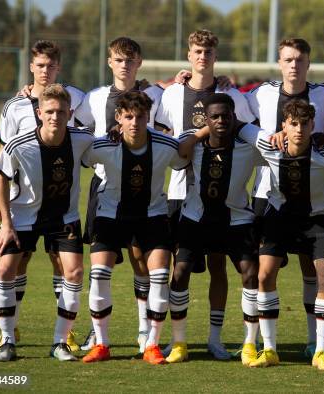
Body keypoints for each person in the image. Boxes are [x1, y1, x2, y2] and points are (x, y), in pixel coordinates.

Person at [245, 38, 324, 357]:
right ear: (280, 62)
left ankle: (314, 344)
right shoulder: (261, 92)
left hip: (313, 201)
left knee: (314, 272)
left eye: (300, 60)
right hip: (268, 196)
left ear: (308, 63)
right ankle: (254, 343)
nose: (294, 65)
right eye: (288, 59)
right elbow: (232, 111)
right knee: (259, 273)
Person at [156, 29, 256, 360]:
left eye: (208, 52)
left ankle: (215, 339)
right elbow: (161, 134)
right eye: (197, 51)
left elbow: (249, 133)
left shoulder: (232, 94)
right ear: (189, 55)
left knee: (218, 267)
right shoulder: (172, 93)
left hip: (223, 197)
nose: (203, 57)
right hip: (180, 192)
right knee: (178, 268)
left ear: (215, 55)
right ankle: (175, 338)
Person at [80, 91, 189, 364]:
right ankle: (102, 344)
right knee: (99, 274)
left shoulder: (165, 145)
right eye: (128, 117)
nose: (134, 123)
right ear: (118, 118)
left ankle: (151, 344)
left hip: (152, 216)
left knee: (160, 275)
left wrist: (195, 135)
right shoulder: (103, 145)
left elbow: (184, 158)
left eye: (140, 117)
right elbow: (82, 157)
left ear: (148, 117)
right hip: (109, 215)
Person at [73, 37, 166, 353]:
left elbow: (171, 127)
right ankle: (95, 333)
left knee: (142, 258)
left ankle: (144, 331)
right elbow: (75, 129)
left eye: (130, 59)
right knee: (101, 262)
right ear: (109, 62)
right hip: (106, 188)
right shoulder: (96, 98)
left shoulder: (156, 95)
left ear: (139, 62)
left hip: (145, 188)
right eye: (118, 59)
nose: (124, 65)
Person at [0, 40, 85, 351]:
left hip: (62, 204)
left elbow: (97, 131)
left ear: (59, 67)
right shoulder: (14, 106)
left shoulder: (77, 100)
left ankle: (65, 334)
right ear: (31, 67)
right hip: (23, 201)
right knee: (18, 263)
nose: (46, 71)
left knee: (64, 264)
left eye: (51, 65)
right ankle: (10, 328)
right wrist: (0, 203)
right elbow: (4, 155)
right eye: (40, 65)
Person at [169, 93, 263, 365]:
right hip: (196, 217)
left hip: (235, 219)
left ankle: (240, 342)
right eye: (215, 117)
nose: (221, 120)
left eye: (227, 116)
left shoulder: (247, 147)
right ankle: (178, 342)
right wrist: (200, 134)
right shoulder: (196, 146)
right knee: (181, 271)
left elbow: (274, 148)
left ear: (235, 118)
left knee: (249, 273)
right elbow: (180, 152)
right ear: (206, 121)